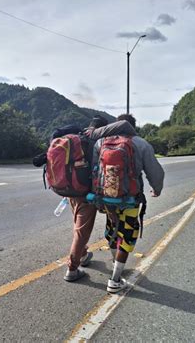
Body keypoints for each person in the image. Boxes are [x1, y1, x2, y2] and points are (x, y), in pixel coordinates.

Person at [95, 113, 164, 293]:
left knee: (112, 230)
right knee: (126, 235)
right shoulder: (141, 144)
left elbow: (95, 170)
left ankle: (116, 265)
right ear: (133, 127)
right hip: (130, 200)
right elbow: (155, 171)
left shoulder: (101, 143)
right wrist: (157, 188)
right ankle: (115, 279)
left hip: (107, 199)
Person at [64, 116, 137, 282]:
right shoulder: (96, 135)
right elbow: (125, 124)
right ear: (104, 128)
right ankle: (72, 269)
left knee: (78, 226)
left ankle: (82, 255)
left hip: (70, 189)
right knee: (82, 232)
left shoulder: (78, 135)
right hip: (85, 193)